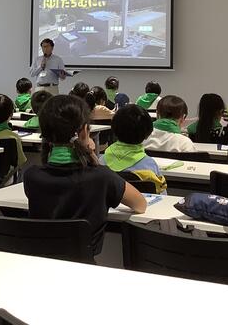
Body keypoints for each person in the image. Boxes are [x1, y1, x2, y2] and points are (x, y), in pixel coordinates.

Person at [23, 94, 146, 255]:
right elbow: (140, 205)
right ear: (84, 131)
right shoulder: (102, 177)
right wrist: (91, 155)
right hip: (84, 266)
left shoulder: (31, 176)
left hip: (41, 263)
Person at [103, 105, 167, 194]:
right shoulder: (150, 165)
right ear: (147, 134)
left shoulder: (101, 161)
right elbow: (163, 195)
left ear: (114, 129)